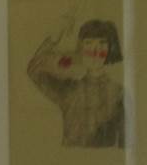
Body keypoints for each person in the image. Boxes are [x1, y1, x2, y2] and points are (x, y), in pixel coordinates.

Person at [27, 17, 125, 148]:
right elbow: (34, 69)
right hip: (69, 163)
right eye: (88, 43)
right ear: (80, 48)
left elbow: (126, 146)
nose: (95, 51)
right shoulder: (69, 89)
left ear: (111, 48)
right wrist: (54, 38)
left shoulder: (119, 93)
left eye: (102, 43)